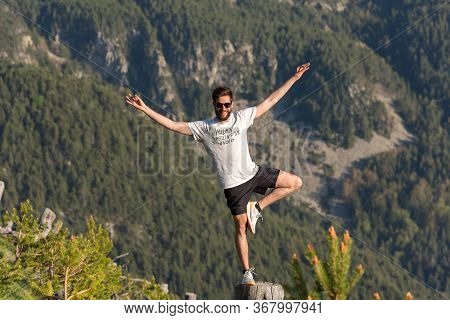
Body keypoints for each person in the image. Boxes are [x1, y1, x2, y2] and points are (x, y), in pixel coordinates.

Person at [125, 62, 310, 285]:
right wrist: (145, 109)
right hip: (234, 186)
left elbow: (270, 101)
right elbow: (173, 125)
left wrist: (294, 78)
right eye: (219, 106)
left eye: (227, 105)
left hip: (254, 172)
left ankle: (258, 207)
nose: (223, 109)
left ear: (232, 104)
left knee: (295, 182)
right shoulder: (204, 127)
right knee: (241, 228)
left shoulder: (242, 118)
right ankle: (246, 273)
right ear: (214, 105)